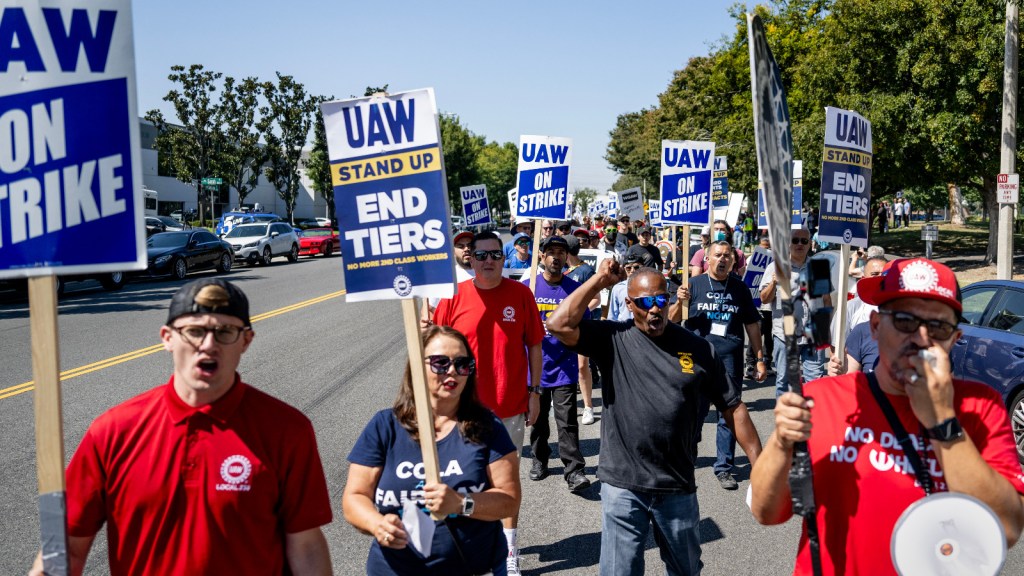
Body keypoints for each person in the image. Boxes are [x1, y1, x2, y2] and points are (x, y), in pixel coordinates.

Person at [30, 279, 333, 575]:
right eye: (194, 331)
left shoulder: (288, 430)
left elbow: (305, 545)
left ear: (246, 341)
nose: (209, 344)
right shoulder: (111, 431)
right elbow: (66, 545)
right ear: (167, 338)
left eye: (225, 331)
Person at [750, 257, 1024, 575]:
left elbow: (1007, 528)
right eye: (905, 321)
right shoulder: (822, 399)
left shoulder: (980, 406)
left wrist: (942, 421)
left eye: (937, 327)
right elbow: (765, 512)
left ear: (954, 339)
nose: (921, 338)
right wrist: (782, 443)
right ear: (876, 327)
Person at [546, 261, 763, 575]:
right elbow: (558, 325)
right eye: (646, 302)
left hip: (676, 482)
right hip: (623, 484)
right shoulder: (612, 338)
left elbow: (733, 406)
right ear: (629, 304)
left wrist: (759, 463)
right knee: (621, 571)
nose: (655, 309)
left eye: (661, 299)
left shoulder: (699, 348)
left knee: (685, 570)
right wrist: (600, 280)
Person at [344, 326, 521, 576]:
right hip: (394, 569)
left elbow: (509, 501)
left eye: (462, 363)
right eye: (440, 362)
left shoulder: (487, 426)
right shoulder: (384, 426)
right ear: (416, 367)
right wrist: (377, 524)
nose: (452, 371)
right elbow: (355, 496)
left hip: (472, 566)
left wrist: (461, 503)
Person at [432, 231, 544, 575]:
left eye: (495, 254)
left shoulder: (521, 294)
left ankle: (509, 549)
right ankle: (463, 544)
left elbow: (535, 345)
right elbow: (435, 352)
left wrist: (535, 391)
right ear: (471, 259)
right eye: (481, 255)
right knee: (461, 479)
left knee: (505, 484)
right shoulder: (453, 298)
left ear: (504, 257)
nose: (489, 261)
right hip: (461, 409)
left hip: (509, 407)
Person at [670, 240, 767, 490]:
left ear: (733, 262)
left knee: (728, 416)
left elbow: (753, 325)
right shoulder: (691, 285)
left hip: (729, 360)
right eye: (718, 255)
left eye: (727, 256)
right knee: (693, 413)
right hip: (695, 360)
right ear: (707, 259)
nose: (722, 259)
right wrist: (678, 302)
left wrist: (759, 358)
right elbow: (670, 320)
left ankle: (724, 467)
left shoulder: (739, 288)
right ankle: (686, 459)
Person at [522, 236, 592, 493]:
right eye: (550, 252)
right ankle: (539, 460)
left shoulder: (575, 289)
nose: (556, 257)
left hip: (564, 367)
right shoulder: (528, 287)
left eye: (560, 252)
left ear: (566, 257)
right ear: (541, 257)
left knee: (567, 422)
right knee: (538, 420)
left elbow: (584, 324)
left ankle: (574, 471)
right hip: (536, 368)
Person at [759, 228, 831, 395]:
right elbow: (764, 299)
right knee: (785, 382)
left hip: (813, 332)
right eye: (795, 240)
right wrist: (773, 283)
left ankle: (815, 420)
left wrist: (826, 329)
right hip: (786, 333)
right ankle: (785, 421)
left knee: (816, 381)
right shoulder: (776, 266)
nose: (800, 244)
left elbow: (826, 300)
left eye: (804, 241)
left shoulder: (817, 267)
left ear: (810, 244)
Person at [565, 235, 601, 425]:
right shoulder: (561, 271)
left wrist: (578, 312)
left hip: (582, 325)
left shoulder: (586, 271)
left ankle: (588, 407)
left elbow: (597, 299)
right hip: (563, 327)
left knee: (581, 366)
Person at [608, 254, 643, 322]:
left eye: (636, 267)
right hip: (623, 327)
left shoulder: (648, 287)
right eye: (629, 268)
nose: (632, 271)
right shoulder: (618, 288)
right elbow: (612, 314)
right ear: (624, 268)